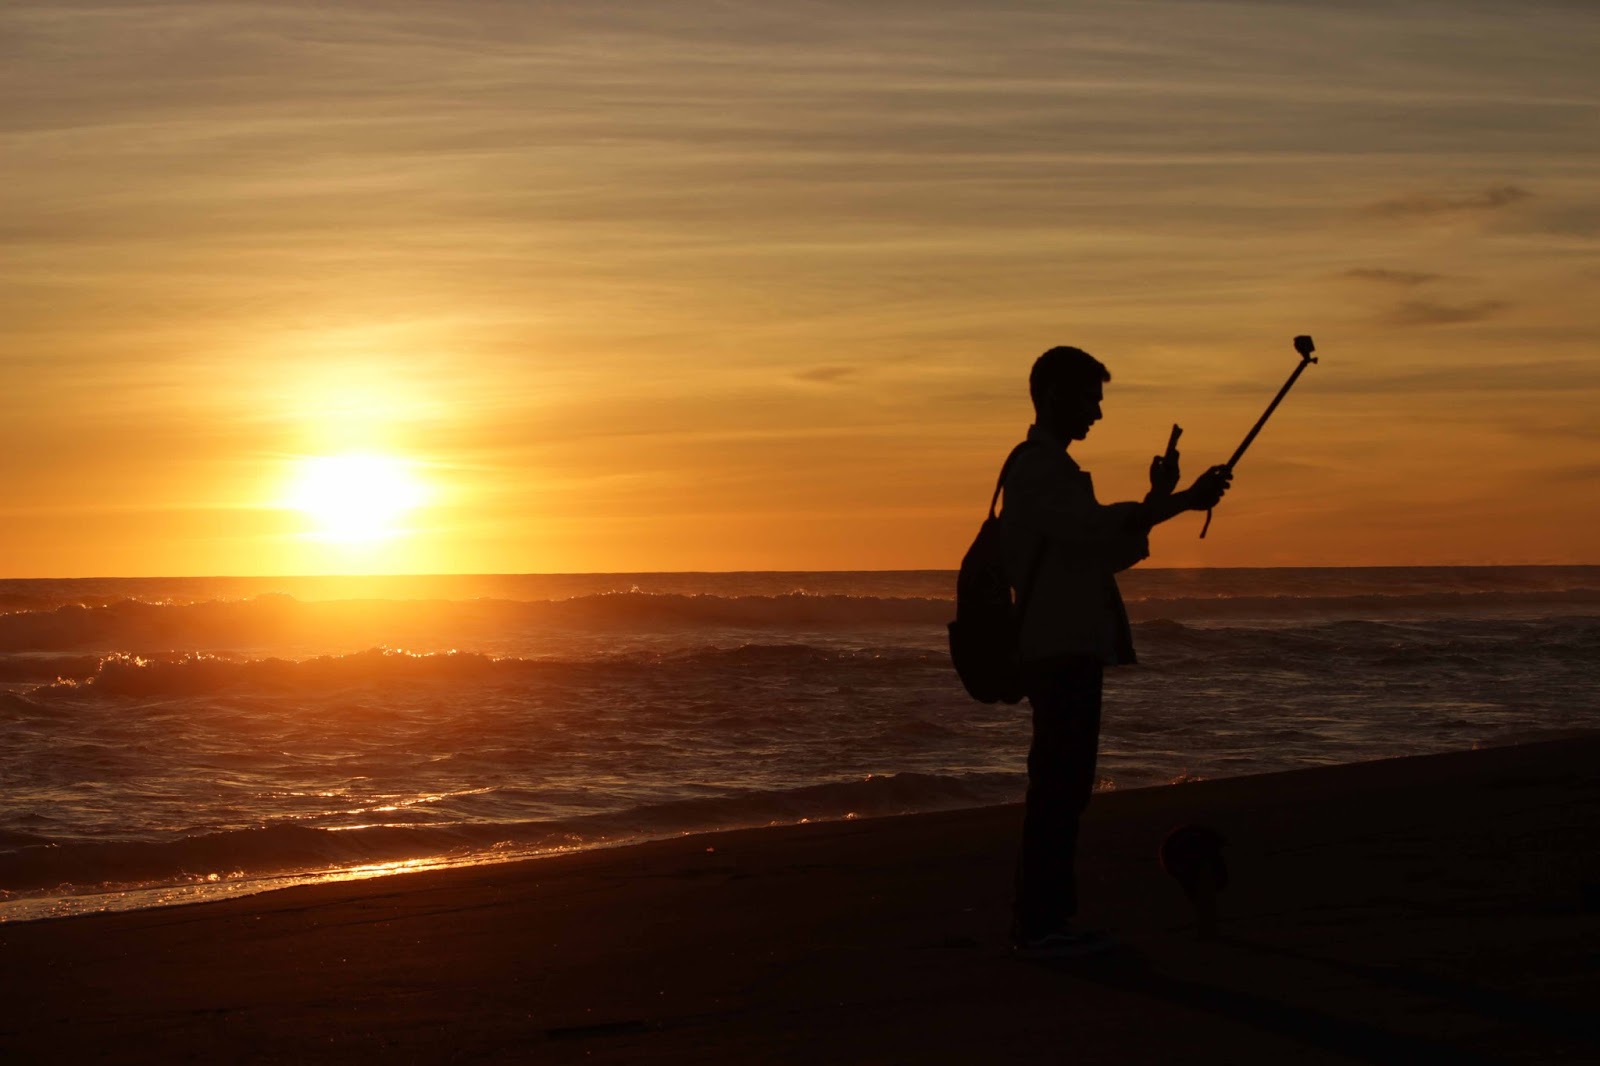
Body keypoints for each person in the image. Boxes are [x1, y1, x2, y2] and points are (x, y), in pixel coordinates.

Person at [999, 345, 1231, 956]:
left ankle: (1047, 921)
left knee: (1064, 787)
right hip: (1057, 648)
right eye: (1089, 399)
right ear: (1055, 397)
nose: (1097, 413)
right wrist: (1176, 502)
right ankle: (1040, 926)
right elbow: (1097, 533)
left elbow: (1103, 549)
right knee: (1057, 788)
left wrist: (1163, 500)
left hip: (1069, 645)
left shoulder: (1052, 473)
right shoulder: (1039, 470)